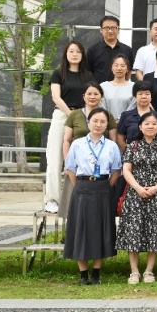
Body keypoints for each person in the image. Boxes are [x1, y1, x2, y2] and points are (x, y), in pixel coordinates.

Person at [62, 107, 121, 285]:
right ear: (88, 123)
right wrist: (81, 185)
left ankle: (96, 272)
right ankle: (83, 274)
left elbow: (116, 171)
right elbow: (70, 169)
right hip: (82, 188)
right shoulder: (77, 144)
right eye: (95, 121)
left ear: (107, 125)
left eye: (103, 122)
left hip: (103, 189)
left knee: (100, 230)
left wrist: (105, 186)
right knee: (80, 228)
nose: (98, 124)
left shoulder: (111, 146)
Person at [116, 111, 157, 285]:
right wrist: (138, 188)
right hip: (135, 194)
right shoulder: (133, 146)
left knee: (155, 231)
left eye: (154, 123)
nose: (150, 126)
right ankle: (134, 271)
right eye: (147, 123)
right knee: (133, 231)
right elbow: (126, 170)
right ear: (140, 127)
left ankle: (149, 270)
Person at [45, 40, 95, 214]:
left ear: (82, 55)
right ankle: (52, 200)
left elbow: (92, 96)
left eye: (78, 51)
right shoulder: (58, 73)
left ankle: (79, 199)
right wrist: (71, 115)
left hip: (83, 116)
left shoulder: (88, 75)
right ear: (66, 54)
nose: (74, 54)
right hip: (61, 115)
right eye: (71, 51)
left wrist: (82, 116)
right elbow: (56, 97)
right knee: (54, 159)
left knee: (83, 160)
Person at [61, 83, 119, 216]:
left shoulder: (107, 115)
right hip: (80, 166)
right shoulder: (74, 114)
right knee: (78, 208)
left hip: (102, 165)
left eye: (96, 94)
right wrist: (69, 164)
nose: (92, 97)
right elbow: (66, 140)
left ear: (101, 97)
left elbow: (113, 140)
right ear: (83, 96)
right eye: (89, 94)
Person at [116, 81, 157, 148]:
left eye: (147, 94)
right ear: (135, 96)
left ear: (151, 97)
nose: (143, 96)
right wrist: (128, 151)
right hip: (131, 153)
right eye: (140, 94)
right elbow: (120, 137)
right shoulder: (126, 115)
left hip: (155, 153)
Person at [86, 15, 134, 84]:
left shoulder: (127, 50)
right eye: (106, 28)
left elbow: (129, 71)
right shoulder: (92, 50)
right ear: (101, 30)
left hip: (121, 88)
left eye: (113, 28)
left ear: (118, 30)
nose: (110, 31)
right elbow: (88, 71)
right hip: (99, 89)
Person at [100, 55, 135, 120]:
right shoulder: (103, 86)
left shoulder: (133, 86)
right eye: (116, 65)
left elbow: (133, 106)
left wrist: (122, 120)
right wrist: (111, 121)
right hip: (107, 122)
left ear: (127, 69)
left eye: (122, 66)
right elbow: (101, 106)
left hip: (127, 122)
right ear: (111, 68)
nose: (119, 68)